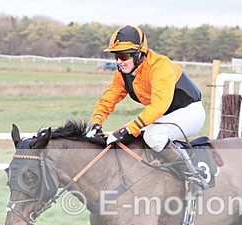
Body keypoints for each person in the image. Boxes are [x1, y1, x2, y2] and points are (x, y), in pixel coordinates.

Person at [87, 25, 208, 198]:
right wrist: (96, 124)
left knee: (153, 136)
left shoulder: (160, 66)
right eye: (116, 56)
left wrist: (128, 129)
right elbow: (107, 101)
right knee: (121, 139)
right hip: (163, 115)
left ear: (139, 53)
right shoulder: (122, 74)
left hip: (189, 112)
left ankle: (194, 177)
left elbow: (159, 106)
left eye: (124, 55)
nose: (119, 61)